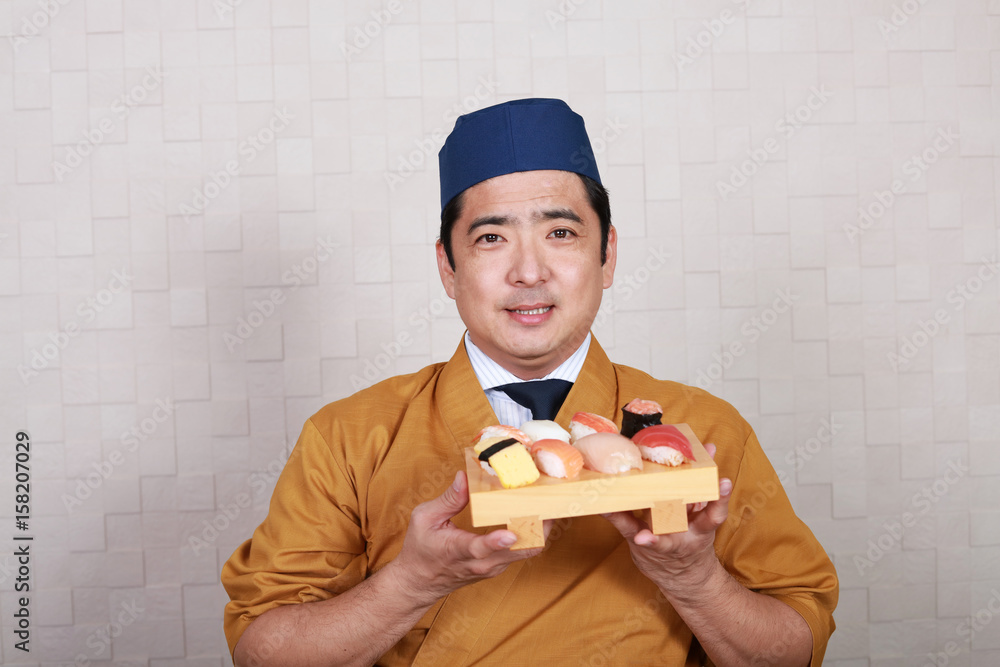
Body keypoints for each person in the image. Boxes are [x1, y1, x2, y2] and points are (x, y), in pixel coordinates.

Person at [222, 98, 838, 666]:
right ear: (447, 267)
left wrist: (693, 580)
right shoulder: (348, 437)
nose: (528, 272)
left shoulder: (700, 432)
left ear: (608, 255)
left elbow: (796, 646)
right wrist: (412, 583)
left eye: (560, 233)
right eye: (491, 238)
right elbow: (260, 653)